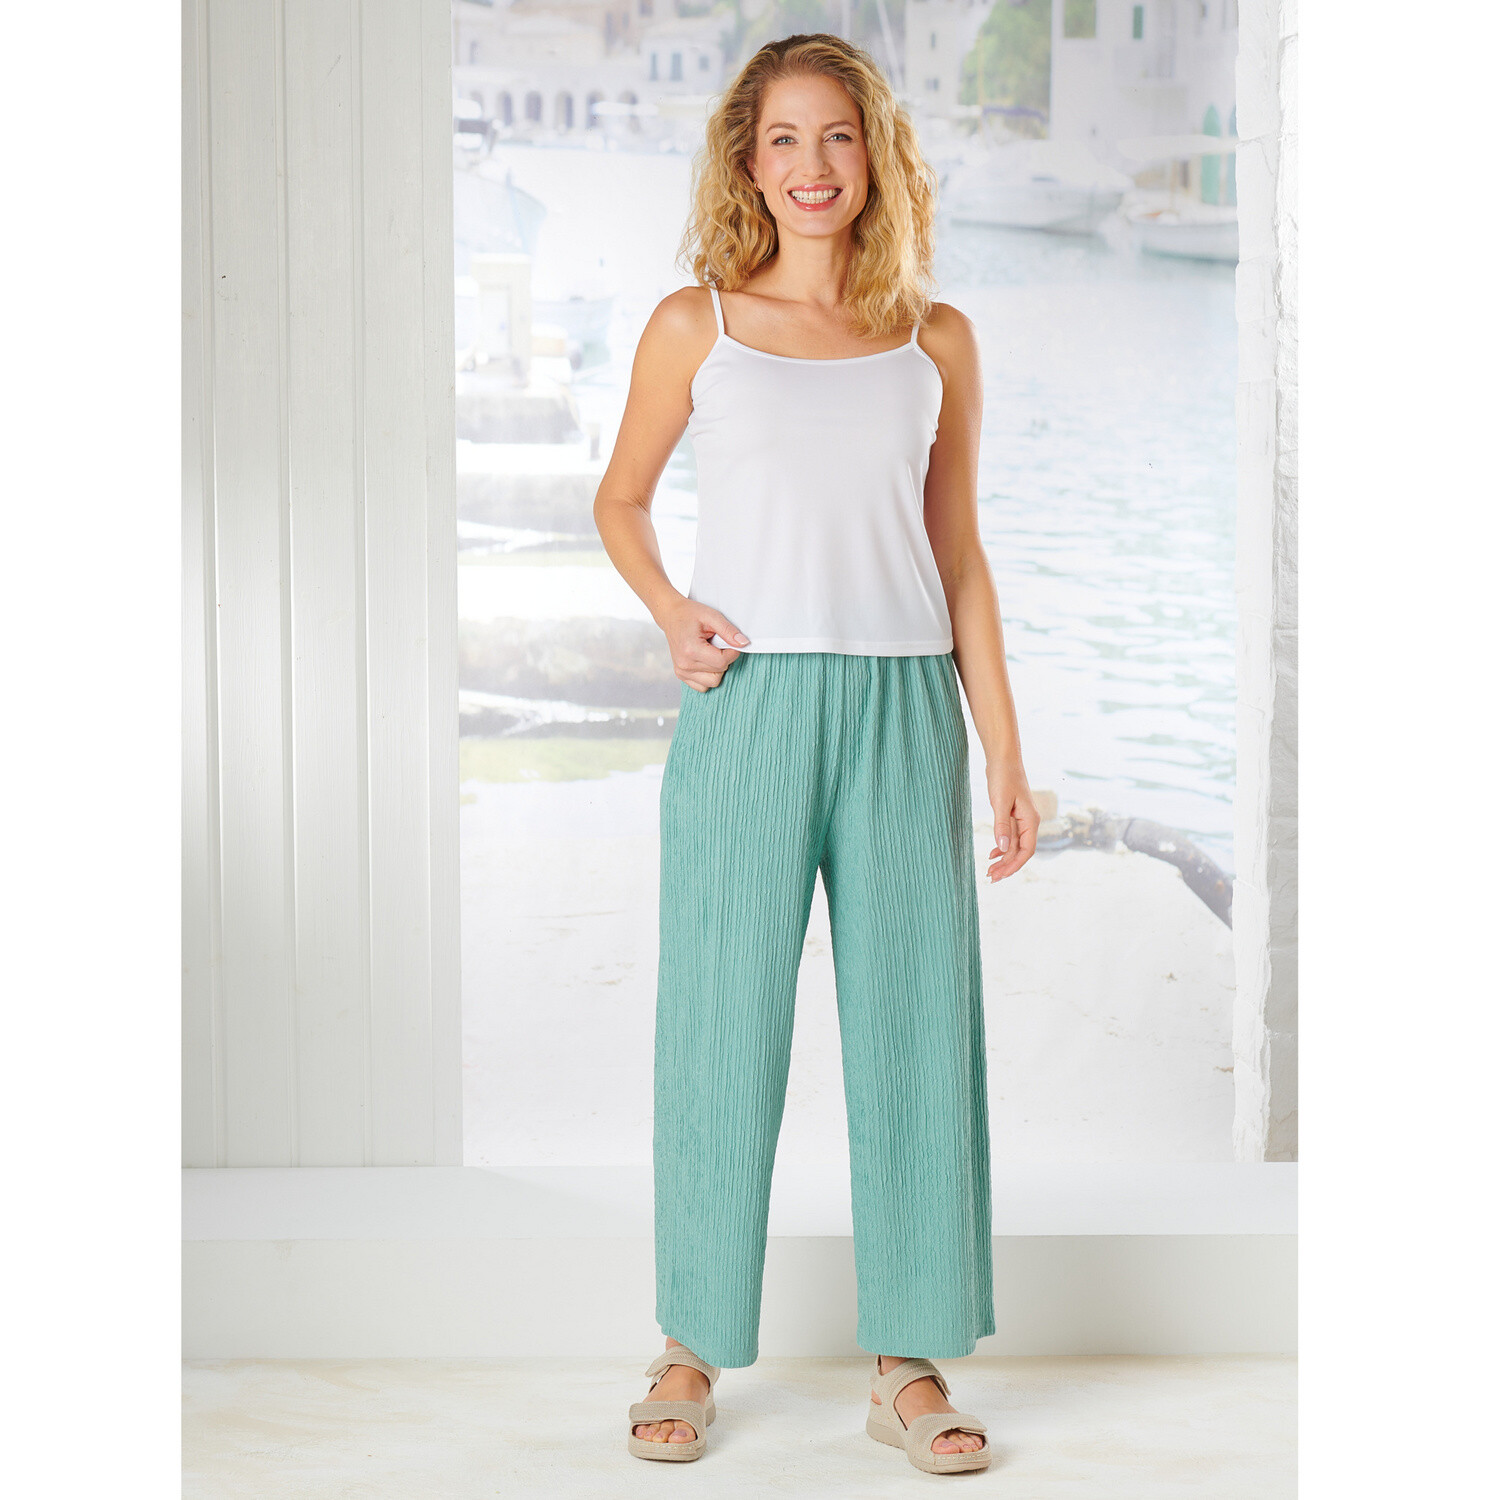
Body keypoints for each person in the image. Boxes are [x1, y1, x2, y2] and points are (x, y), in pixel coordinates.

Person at [592, 32, 1039, 1477]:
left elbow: (960, 558)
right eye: (783, 138)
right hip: (749, 703)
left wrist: (1005, 752)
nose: (812, 165)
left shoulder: (934, 338)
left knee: (916, 1028)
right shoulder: (698, 326)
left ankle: (907, 1361)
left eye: (837, 134)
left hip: (906, 709)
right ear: (747, 160)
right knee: (720, 1024)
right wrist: (672, 611)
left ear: (876, 153)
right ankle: (688, 1343)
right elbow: (620, 499)